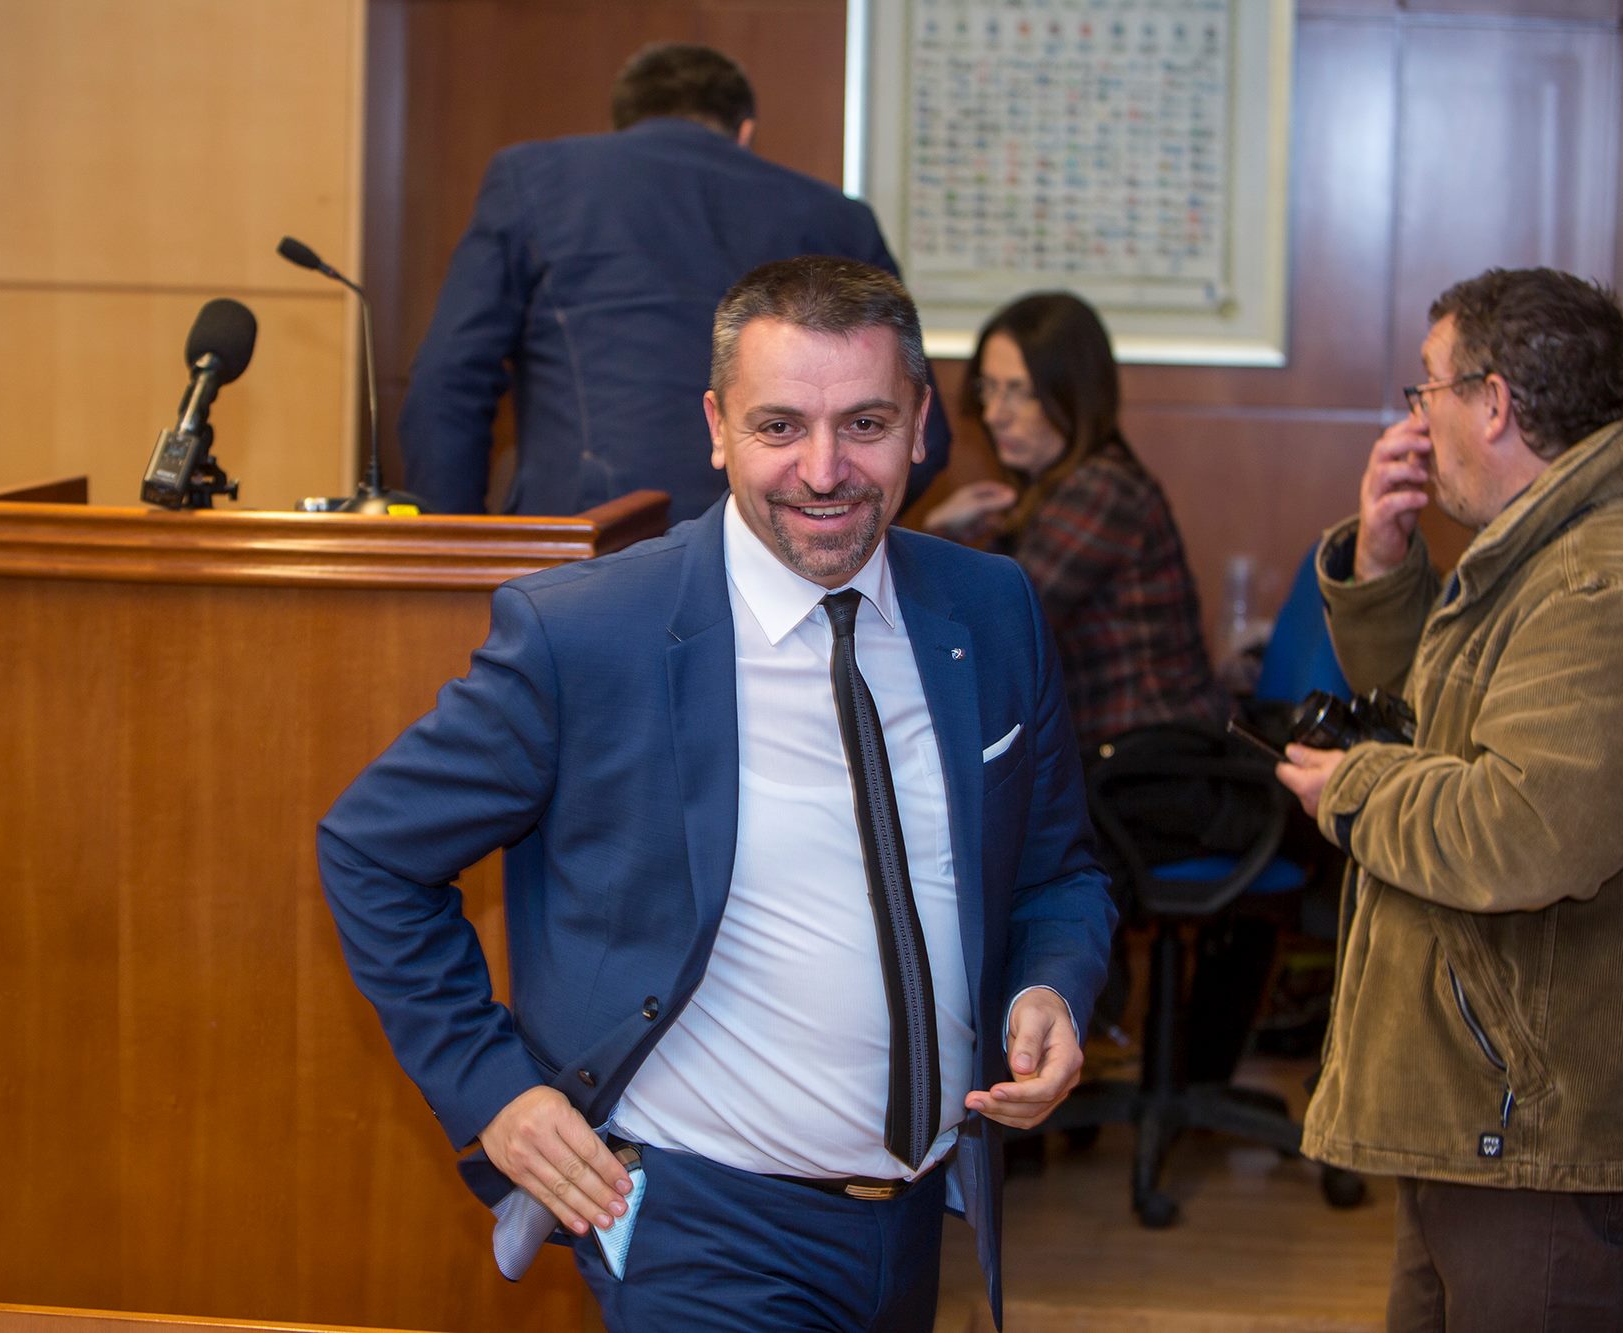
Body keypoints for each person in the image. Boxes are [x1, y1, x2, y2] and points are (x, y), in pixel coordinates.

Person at [321, 256, 1112, 1331]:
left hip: (920, 1221)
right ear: (716, 427)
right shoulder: (587, 634)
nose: (824, 470)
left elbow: (1057, 873)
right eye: (779, 426)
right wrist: (491, 1087)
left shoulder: (991, 605)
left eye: (866, 423)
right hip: (701, 1234)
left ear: (922, 423)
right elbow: (371, 851)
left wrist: (1047, 988)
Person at [1274, 268, 1623, 1331]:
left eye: (1427, 388)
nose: (1414, 421)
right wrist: (1384, 560)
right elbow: (1444, 724)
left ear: (1493, 402)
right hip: (1478, 1103)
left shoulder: (1607, 585)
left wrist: (1353, 789)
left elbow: (1520, 832)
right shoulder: (1552, 545)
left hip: (1530, 1121)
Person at [399, 42, 950, 521]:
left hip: (583, 544)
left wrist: (453, 552)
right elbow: (923, 430)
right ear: (744, 132)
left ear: (624, 124)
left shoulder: (533, 181)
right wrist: (827, 523)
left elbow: (448, 379)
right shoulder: (838, 216)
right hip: (774, 556)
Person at [923, 292, 1227, 758]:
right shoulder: (1053, 487)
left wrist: (935, 535)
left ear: (1074, 396)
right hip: (1117, 763)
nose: (993, 413)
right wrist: (944, 531)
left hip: (1151, 771)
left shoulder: (1101, 490)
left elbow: (986, 635)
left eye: (1020, 392)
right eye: (989, 388)